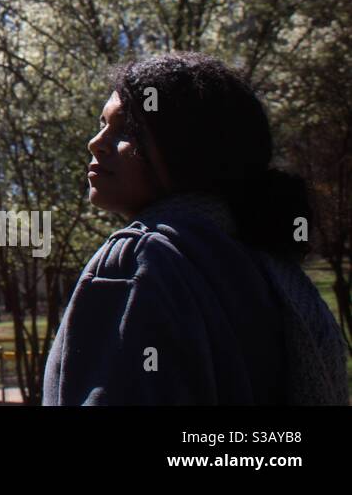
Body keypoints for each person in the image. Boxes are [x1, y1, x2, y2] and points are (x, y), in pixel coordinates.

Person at [42, 51, 348, 405]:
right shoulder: (267, 267)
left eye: (127, 130)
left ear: (185, 148)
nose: (96, 143)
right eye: (102, 124)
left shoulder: (141, 258)